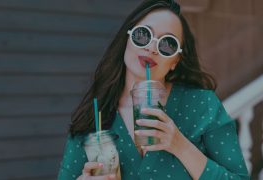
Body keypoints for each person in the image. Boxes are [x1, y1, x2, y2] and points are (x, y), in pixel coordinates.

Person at [58, 0, 250, 179]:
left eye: (167, 44)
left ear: (175, 61)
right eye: (143, 35)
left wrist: (180, 146)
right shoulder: (94, 117)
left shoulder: (202, 105)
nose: (152, 48)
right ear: (128, 38)